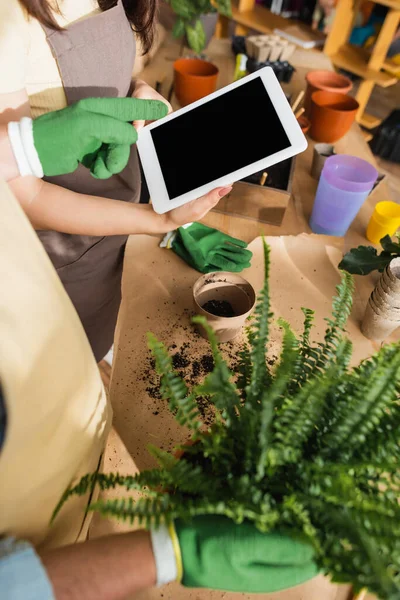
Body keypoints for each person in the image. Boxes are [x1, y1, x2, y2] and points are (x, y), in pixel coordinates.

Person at [0, 177, 317, 599]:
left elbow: (18, 186)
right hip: (25, 503)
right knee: (59, 520)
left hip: (58, 401)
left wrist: (159, 220)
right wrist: (169, 553)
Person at [0, 0, 232, 363]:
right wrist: (156, 221)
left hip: (113, 241)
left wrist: (135, 90)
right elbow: (25, 199)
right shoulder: (8, 18)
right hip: (56, 258)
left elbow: (74, 79)